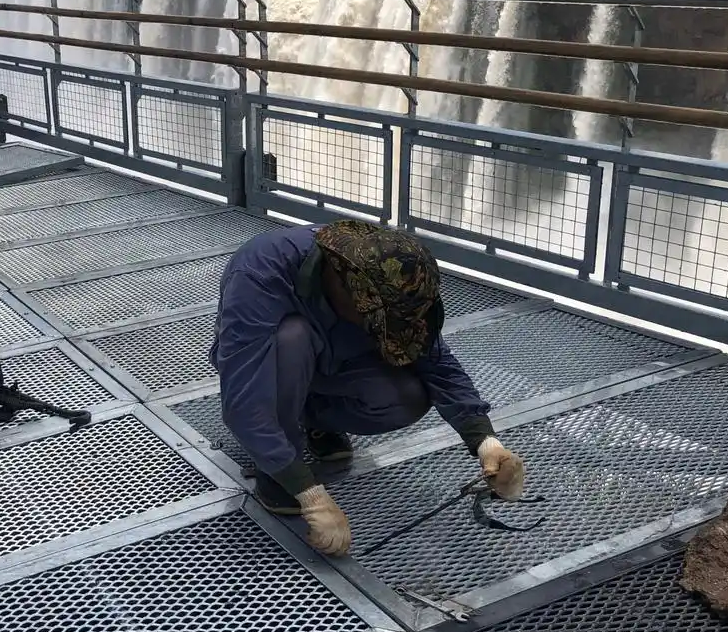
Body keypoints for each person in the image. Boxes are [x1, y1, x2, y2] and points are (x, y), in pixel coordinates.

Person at [209, 218, 526, 557]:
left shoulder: (393, 274)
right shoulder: (260, 273)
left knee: (407, 398)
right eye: (380, 321)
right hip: (273, 363)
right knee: (292, 338)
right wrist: (307, 492)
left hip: (336, 360)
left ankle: (316, 422)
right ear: (344, 288)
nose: (388, 329)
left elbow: (436, 361)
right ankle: (278, 469)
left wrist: (485, 440)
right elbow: (244, 404)